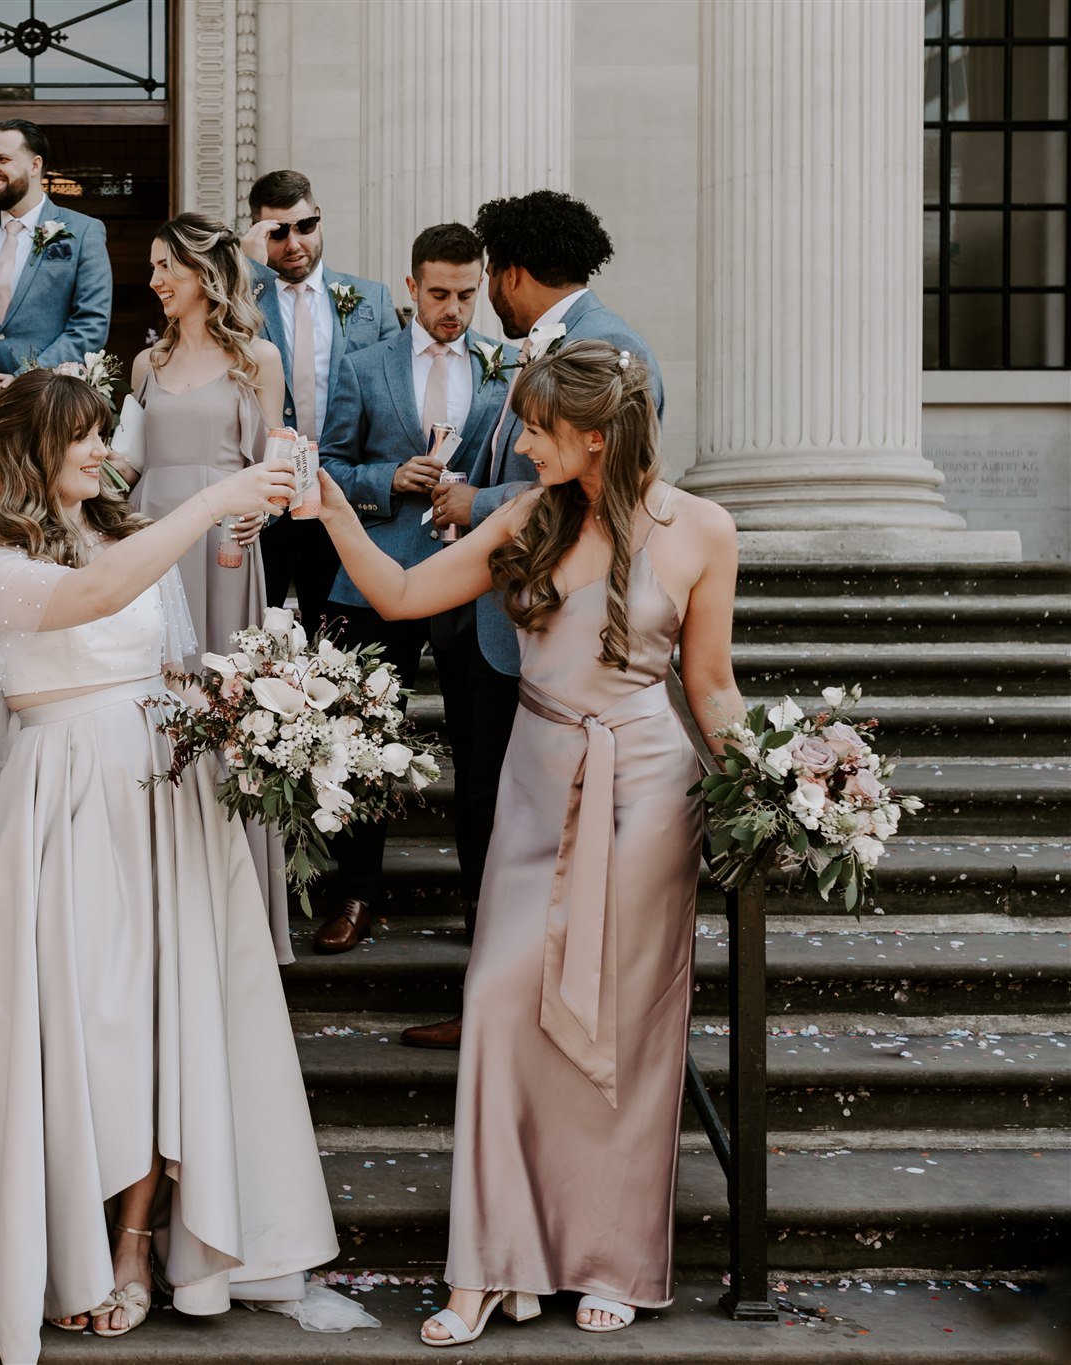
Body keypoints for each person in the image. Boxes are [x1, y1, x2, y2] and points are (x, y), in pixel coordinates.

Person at [0, 369, 339, 1363]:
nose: (101, 451)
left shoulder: (128, 538)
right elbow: (89, 598)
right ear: (34, 448)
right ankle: (61, 1244)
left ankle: (131, 1248)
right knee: (91, 1026)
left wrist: (256, 707)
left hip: (168, 793)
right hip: (69, 803)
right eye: (80, 436)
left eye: (100, 434)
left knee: (171, 1017)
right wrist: (210, 496)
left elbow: (163, 660)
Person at [311, 342, 743, 1344]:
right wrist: (334, 506)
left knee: (621, 1033)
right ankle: (486, 1265)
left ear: (595, 434)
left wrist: (773, 785)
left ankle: (607, 1255)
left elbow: (711, 685)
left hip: (645, 789)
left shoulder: (703, 530)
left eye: (537, 426)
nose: (518, 438)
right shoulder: (520, 516)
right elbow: (401, 598)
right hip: (535, 777)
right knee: (503, 1003)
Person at [398, 188, 666, 1048]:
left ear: (512, 274)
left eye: (490, 281)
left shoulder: (609, 345)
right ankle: (497, 995)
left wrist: (476, 499)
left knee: (508, 823)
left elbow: (609, 488)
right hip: (488, 617)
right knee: (487, 811)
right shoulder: (559, 339)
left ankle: (507, 1005)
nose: (488, 300)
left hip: (537, 626)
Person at [311, 225, 515, 968]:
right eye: (439, 294)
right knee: (362, 741)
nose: (454, 308)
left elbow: (529, 471)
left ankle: (481, 902)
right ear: (410, 287)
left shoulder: (511, 366)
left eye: (467, 293)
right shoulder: (364, 367)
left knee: (479, 748)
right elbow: (330, 465)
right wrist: (386, 479)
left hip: (472, 579)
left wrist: (479, 497)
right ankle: (357, 892)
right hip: (377, 578)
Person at [126, 212, 290, 954]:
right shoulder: (144, 365)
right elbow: (126, 469)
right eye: (155, 267)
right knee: (157, 705)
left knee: (224, 711)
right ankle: (163, 895)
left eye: (167, 267)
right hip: (153, 546)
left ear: (204, 275)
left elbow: (279, 468)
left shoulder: (257, 358)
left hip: (227, 544)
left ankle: (235, 910)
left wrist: (261, 512)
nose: (155, 280)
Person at [0, 118, 111, 521]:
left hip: (46, 421)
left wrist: (28, 379)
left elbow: (91, 323)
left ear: (35, 165)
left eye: (3, 158)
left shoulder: (83, 232)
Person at [241, 169, 396, 637]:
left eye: (304, 227)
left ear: (320, 220)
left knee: (335, 637)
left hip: (338, 493)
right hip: (259, 496)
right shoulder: (242, 296)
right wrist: (247, 271)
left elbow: (390, 393)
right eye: (277, 232)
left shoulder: (372, 298)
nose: (294, 244)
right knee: (251, 632)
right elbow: (220, 348)